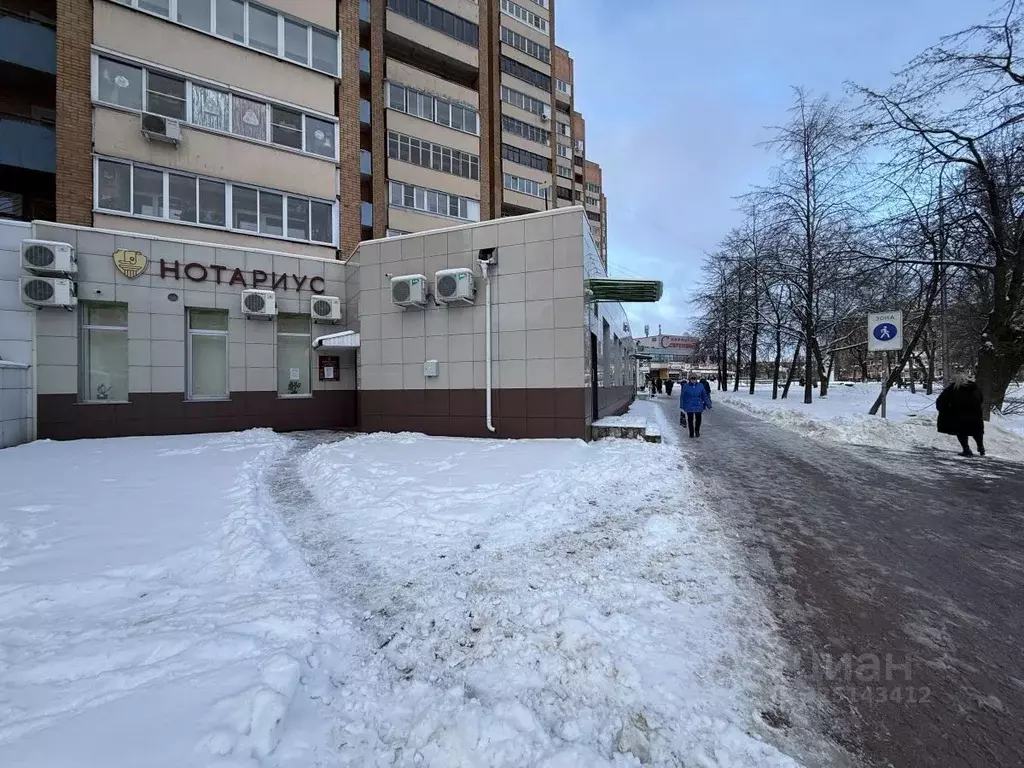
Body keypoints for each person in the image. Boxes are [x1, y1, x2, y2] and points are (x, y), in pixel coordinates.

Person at [936, 371, 985, 456]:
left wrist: (944, 409)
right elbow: (981, 399)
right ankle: (981, 447)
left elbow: (942, 400)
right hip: (975, 414)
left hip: (959, 415)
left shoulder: (953, 388)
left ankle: (966, 450)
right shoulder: (974, 387)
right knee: (976, 431)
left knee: (961, 432)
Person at [680, 373, 713, 437]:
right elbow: (682, 396)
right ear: (689, 379)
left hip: (698, 405)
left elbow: (704, 396)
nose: (693, 380)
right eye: (692, 379)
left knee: (698, 419)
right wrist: (681, 405)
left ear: (696, 379)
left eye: (694, 378)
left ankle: (697, 430)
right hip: (689, 405)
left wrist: (708, 404)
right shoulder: (686, 386)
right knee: (690, 420)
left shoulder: (700, 386)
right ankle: (691, 432)